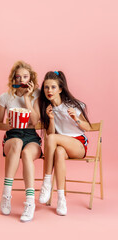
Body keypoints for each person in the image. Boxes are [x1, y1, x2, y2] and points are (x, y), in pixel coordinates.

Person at [38, 71, 91, 216]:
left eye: (53, 87)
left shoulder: (72, 105)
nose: (49, 91)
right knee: (59, 152)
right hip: (61, 146)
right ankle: (61, 199)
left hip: (78, 144)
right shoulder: (48, 108)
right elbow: (49, 135)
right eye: (47, 87)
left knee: (53, 140)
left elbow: (88, 127)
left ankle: (46, 182)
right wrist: (51, 118)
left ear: (60, 89)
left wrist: (76, 119)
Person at [0, 61, 41, 222]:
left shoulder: (36, 94)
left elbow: (35, 121)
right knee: (17, 144)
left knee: (27, 153)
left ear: (31, 78)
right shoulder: (5, 97)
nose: (21, 79)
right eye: (18, 77)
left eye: (25, 76)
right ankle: (6, 194)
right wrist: (8, 124)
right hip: (12, 135)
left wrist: (28, 98)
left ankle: (30, 203)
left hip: (31, 136)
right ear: (13, 79)